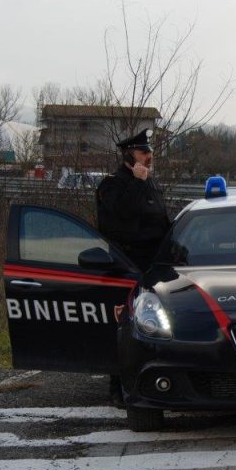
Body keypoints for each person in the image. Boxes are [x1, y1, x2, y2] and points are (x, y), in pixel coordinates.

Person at [96, 128, 172, 407]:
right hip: (125, 264)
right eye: (144, 152)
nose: (150, 156)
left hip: (153, 265)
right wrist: (139, 183)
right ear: (130, 155)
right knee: (124, 326)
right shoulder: (113, 184)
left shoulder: (149, 183)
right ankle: (118, 386)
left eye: (150, 151)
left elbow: (161, 219)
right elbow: (122, 213)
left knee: (154, 325)